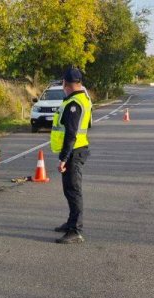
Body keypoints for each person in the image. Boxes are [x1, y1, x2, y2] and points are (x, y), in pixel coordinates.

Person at [50, 67, 92, 244]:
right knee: (69, 191)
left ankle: (76, 230)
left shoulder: (74, 104)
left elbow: (71, 133)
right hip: (76, 149)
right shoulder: (83, 99)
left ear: (65, 83)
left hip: (74, 152)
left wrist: (63, 158)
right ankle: (71, 223)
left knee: (73, 191)